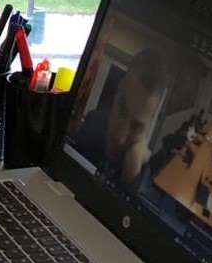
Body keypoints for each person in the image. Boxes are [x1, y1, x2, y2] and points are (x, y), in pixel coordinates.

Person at [71, 46, 170, 186]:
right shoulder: (93, 121)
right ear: (118, 89)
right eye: (121, 111)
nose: (120, 137)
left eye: (136, 126)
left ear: (152, 119)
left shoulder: (146, 177)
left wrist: (132, 175)